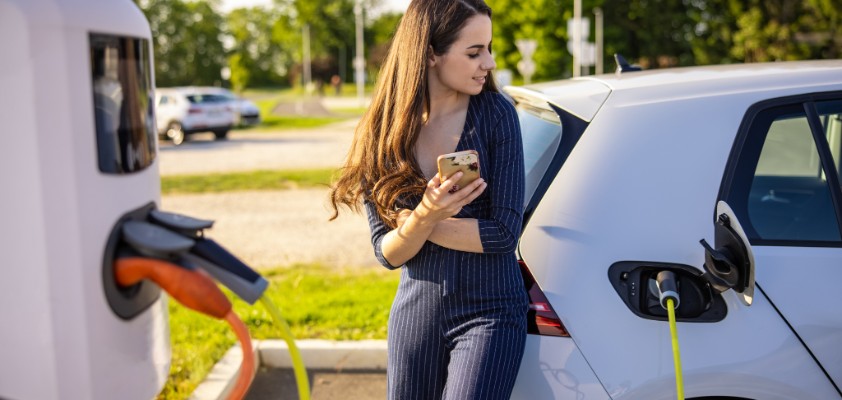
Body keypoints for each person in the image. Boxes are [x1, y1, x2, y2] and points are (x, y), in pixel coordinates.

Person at [329, 0, 526, 398]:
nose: (489, 63)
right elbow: (388, 253)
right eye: (474, 52)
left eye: (489, 49)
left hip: (490, 313)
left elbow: (503, 234)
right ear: (431, 53)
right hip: (416, 315)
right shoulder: (382, 133)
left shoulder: (497, 114)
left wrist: (421, 223)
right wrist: (425, 215)